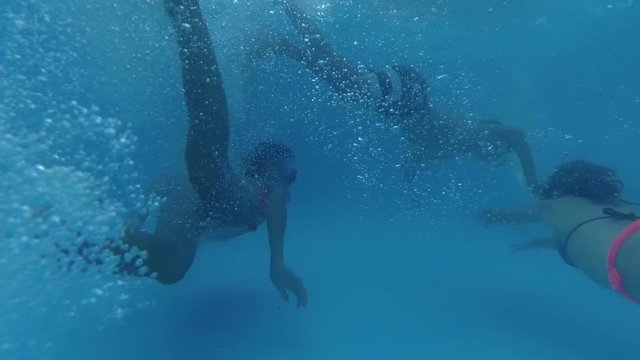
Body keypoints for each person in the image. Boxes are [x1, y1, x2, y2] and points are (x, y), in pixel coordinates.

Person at [93, 0, 307, 307]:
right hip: (214, 197)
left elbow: (165, 183)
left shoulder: (248, 188)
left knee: (172, 266)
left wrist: (138, 219)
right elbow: (275, 202)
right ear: (272, 169)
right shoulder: (264, 192)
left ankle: (72, 243)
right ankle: (185, 8)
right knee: (208, 161)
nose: (291, 184)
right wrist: (277, 261)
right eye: (290, 173)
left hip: (189, 212)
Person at [249, 0, 538, 197]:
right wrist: (533, 183)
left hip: (397, 103)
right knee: (343, 78)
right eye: (498, 151)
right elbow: (518, 134)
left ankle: (281, 32)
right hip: (409, 95)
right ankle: (280, 36)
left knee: (335, 68)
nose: (492, 157)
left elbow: (412, 158)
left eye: (494, 158)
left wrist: (411, 189)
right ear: (495, 140)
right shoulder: (474, 131)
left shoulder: (450, 150)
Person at [481, 160, 640, 303]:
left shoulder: (551, 206)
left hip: (622, 257)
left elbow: (500, 217)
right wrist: (535, 244)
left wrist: (479, 215)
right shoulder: (616, 203)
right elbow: (586, 240)